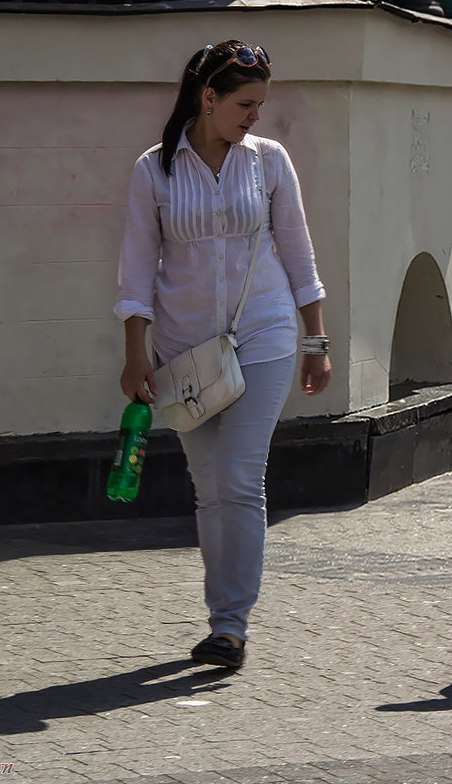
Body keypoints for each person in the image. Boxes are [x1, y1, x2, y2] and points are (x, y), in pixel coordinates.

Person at [114, 40, 331, 670]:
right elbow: (135, 271)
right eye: (244, 103)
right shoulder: (154, 170)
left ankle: (231, 627)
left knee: (239, 477)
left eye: (261, 104)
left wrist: (315, 343)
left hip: (263, 334)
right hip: (182, 351)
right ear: (207, 98)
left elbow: (298, 254)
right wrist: (135, 356)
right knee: (209, 488)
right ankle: (222, 621)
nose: (255, 117)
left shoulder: (269, 162)